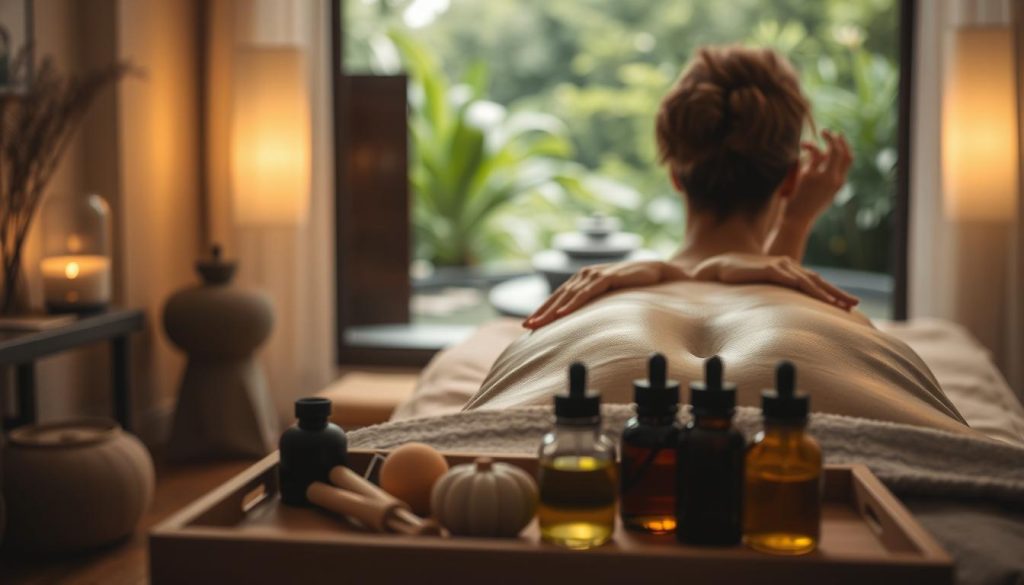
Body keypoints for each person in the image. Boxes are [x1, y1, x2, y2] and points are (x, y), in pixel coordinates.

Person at [463, 46, 973, 436]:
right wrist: (794, 224)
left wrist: (687, 267)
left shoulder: (595, 295)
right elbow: (771, 307)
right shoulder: (820, 304)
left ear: (677, 177)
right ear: (791, 179)